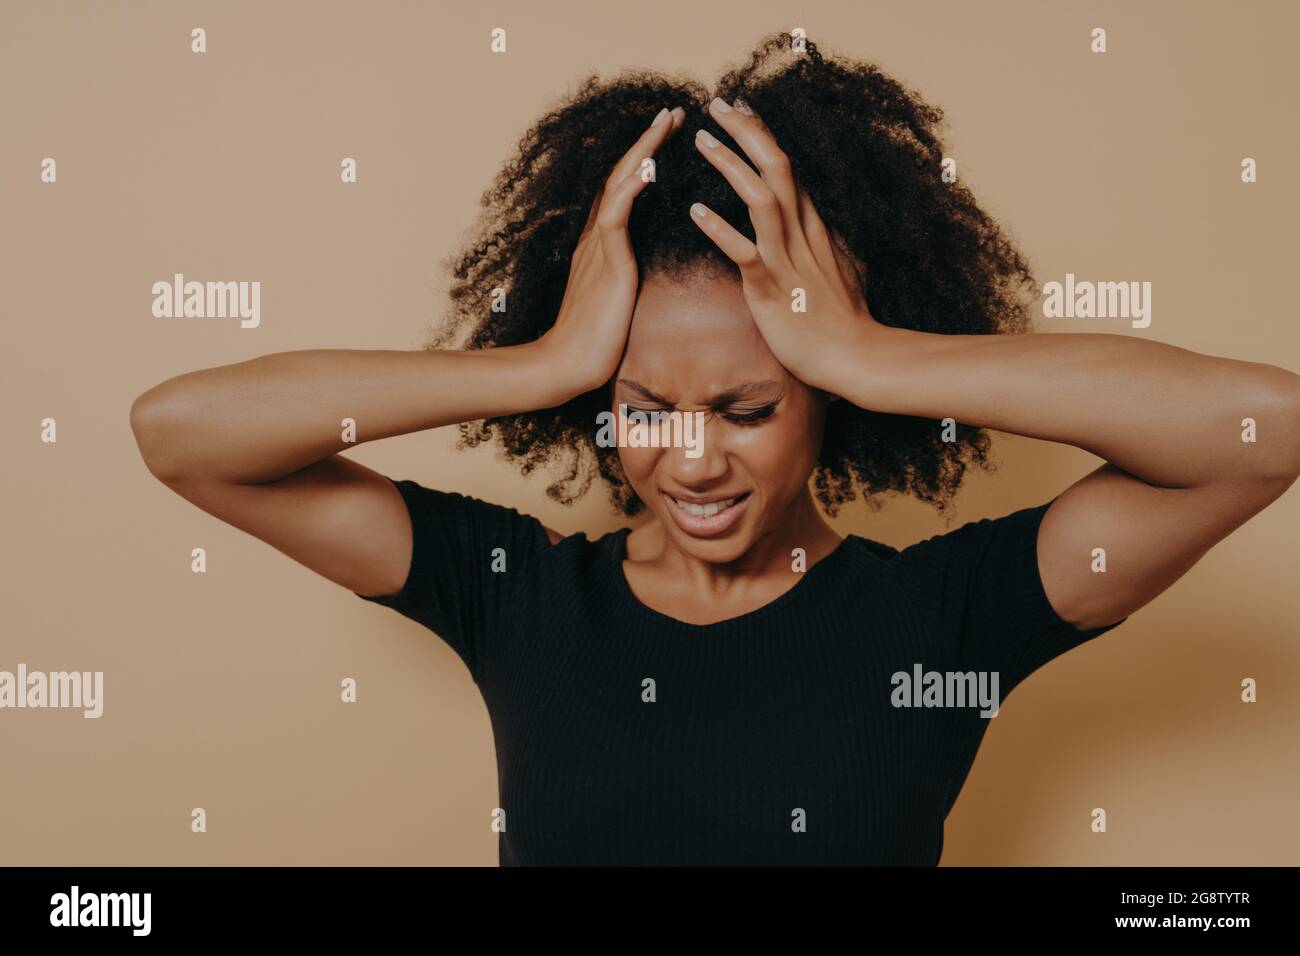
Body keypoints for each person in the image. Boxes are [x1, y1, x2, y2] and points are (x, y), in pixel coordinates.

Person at [129, 34, 1300, 865]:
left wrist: (876, 355)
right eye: (644, 408)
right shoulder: (514, 593)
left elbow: (1262, 431)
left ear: (824, 402)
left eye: (745, 409)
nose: (689, 462)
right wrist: (535, 364)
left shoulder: (948, 618)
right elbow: (183, 435)